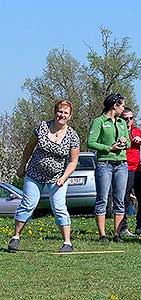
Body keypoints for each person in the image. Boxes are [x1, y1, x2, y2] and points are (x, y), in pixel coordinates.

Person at [8, 100, 80, 253]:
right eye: (60, 111)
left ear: (70, 116)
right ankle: (15, 237)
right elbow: (29, 147)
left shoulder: (73, 136)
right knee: (29, 204)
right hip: (34, 174)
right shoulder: (41, 127)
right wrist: (22, 165)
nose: (62, 115)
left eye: (66, 113)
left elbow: (74, 162)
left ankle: (67, 243)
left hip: (58, 177)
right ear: (55, 112)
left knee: (59, 206)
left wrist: (64, 177)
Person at [87, 93, 130, 243]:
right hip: (104, 164)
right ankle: (102, 235)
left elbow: (129, 143)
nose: (123, 109)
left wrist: (124, 142)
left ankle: (117, 234)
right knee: (102, 199)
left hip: (122, 164)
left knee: (119, 200)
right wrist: (109, 148)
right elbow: (91, 142)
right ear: (115, 105)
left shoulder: (122, 122)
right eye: (122, 105)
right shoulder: (99, 121)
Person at [119, 107, 141, 238]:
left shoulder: (137, 131)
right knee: (124, 198)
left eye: (131, 118)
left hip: (138, 169)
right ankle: (123, 227)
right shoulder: (118, 131)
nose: (129, 121)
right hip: (125, 168)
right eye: (126, 118)